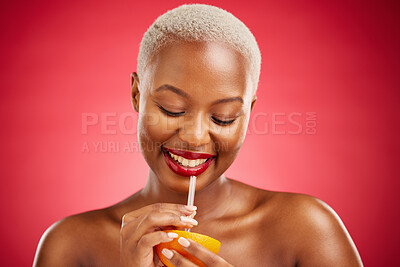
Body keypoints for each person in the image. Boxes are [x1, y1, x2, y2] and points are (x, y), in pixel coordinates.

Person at [33, 4, 363, 266]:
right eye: (172, 109)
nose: (194, 136)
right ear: (137, 94)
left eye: (224, 117)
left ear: (248, 113)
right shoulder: (70, 246)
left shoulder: (306, 230)